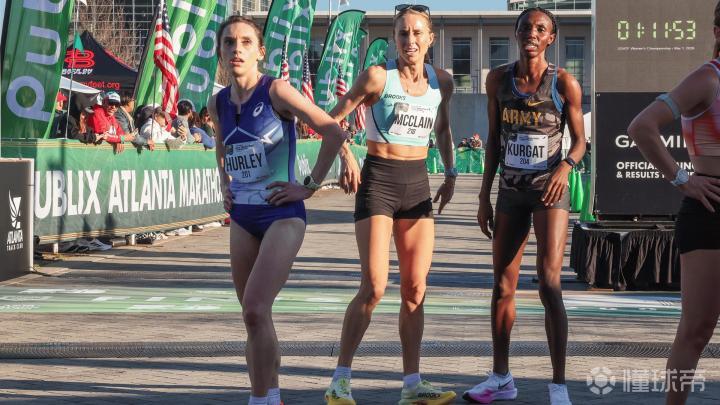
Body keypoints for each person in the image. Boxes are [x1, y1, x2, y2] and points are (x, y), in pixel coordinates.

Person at [206, 16, 348, 405]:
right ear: (220, 52)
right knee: (255, 318)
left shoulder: (277, 91)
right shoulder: (217, 102)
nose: (236, 49)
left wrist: (310, 186)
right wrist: (224, 183)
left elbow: (333, 131)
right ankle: (272, 394)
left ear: (260, 52)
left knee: (255, 309)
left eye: (245, 42)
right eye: (229, 42)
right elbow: (222, 144)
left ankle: (260, 400)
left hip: (282, 215)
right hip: (243, 216)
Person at [322, 4, 457, 405]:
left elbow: (443, 128)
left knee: (415, 289)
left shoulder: (442, 81)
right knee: (374, 287)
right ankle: (339, 381)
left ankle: (412, 385)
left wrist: (451, 173)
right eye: (402, 33)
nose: (409, 40)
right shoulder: (378, 77)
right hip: (379, 181)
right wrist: (347, 156)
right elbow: (330, 119)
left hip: (418, 185)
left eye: (417, 33)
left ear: (431, 38)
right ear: (395, 38)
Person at [471, 7, 585, 405]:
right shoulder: (498, 80)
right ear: (516, 33)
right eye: (525, 27)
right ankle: (501, 377)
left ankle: (559, 384)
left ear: (551, 38)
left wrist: (565, 168)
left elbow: (580, 142)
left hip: (549, 193)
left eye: (540, 29)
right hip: (511, 192)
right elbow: (493, 140)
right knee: (502, 286)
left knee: (549, 284)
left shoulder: (564, 82)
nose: (531, 34)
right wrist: (484, 195)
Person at [627, 3, 720, 404]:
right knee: (697, 329)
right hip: (712, 212)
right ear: (718, 31)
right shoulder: (708, 79)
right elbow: (641, 126)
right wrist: (683, 179)